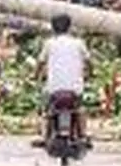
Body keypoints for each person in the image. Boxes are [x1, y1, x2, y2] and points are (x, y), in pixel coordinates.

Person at [36, 13, 91, 145]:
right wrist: (89, 73)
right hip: (75, 88)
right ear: (69, 27)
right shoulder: (79, 43)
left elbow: (40, 63)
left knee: (47, 110)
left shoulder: (49, 44)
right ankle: (83, 134)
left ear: (53, 28)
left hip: (54, 88)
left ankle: (45, 136)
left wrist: (36, 76)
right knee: (80, 109)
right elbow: (89, 61)